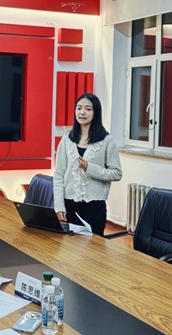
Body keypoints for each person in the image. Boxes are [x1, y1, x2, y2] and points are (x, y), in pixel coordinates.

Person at [53, 93, 122, 236]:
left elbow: (116, 173)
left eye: (88, 109)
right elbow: (59, 174)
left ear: (96, 112)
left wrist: (89, 168)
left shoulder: (107, 141)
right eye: (79, 108)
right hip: (69, 205)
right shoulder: (67, 139)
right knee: (68, 247)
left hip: (94, 207)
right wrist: (59, 206)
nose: (82, 112)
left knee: (93, 248)